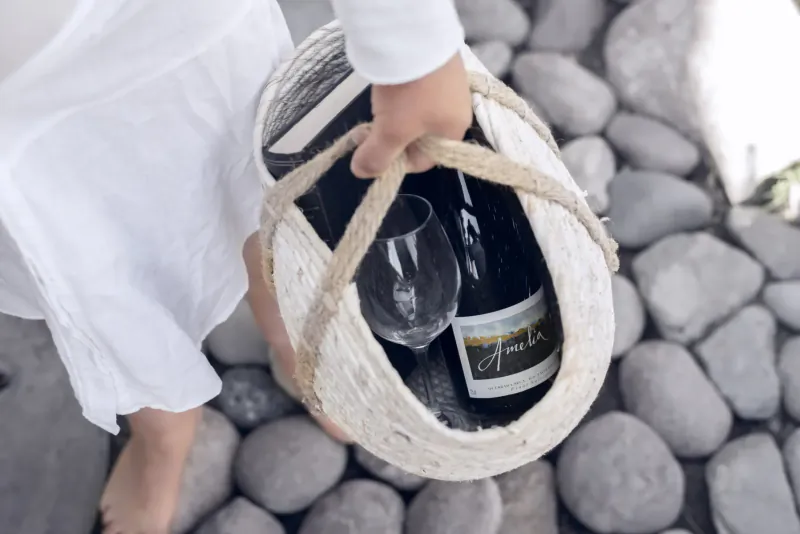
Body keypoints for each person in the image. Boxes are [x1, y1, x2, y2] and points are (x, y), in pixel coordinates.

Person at [0, 0, 473, 533]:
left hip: (162, 24)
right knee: (96, 275)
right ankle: (165, 433)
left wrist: (412, 44)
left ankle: (293, 337)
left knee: (249, 192)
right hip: (13, 104)